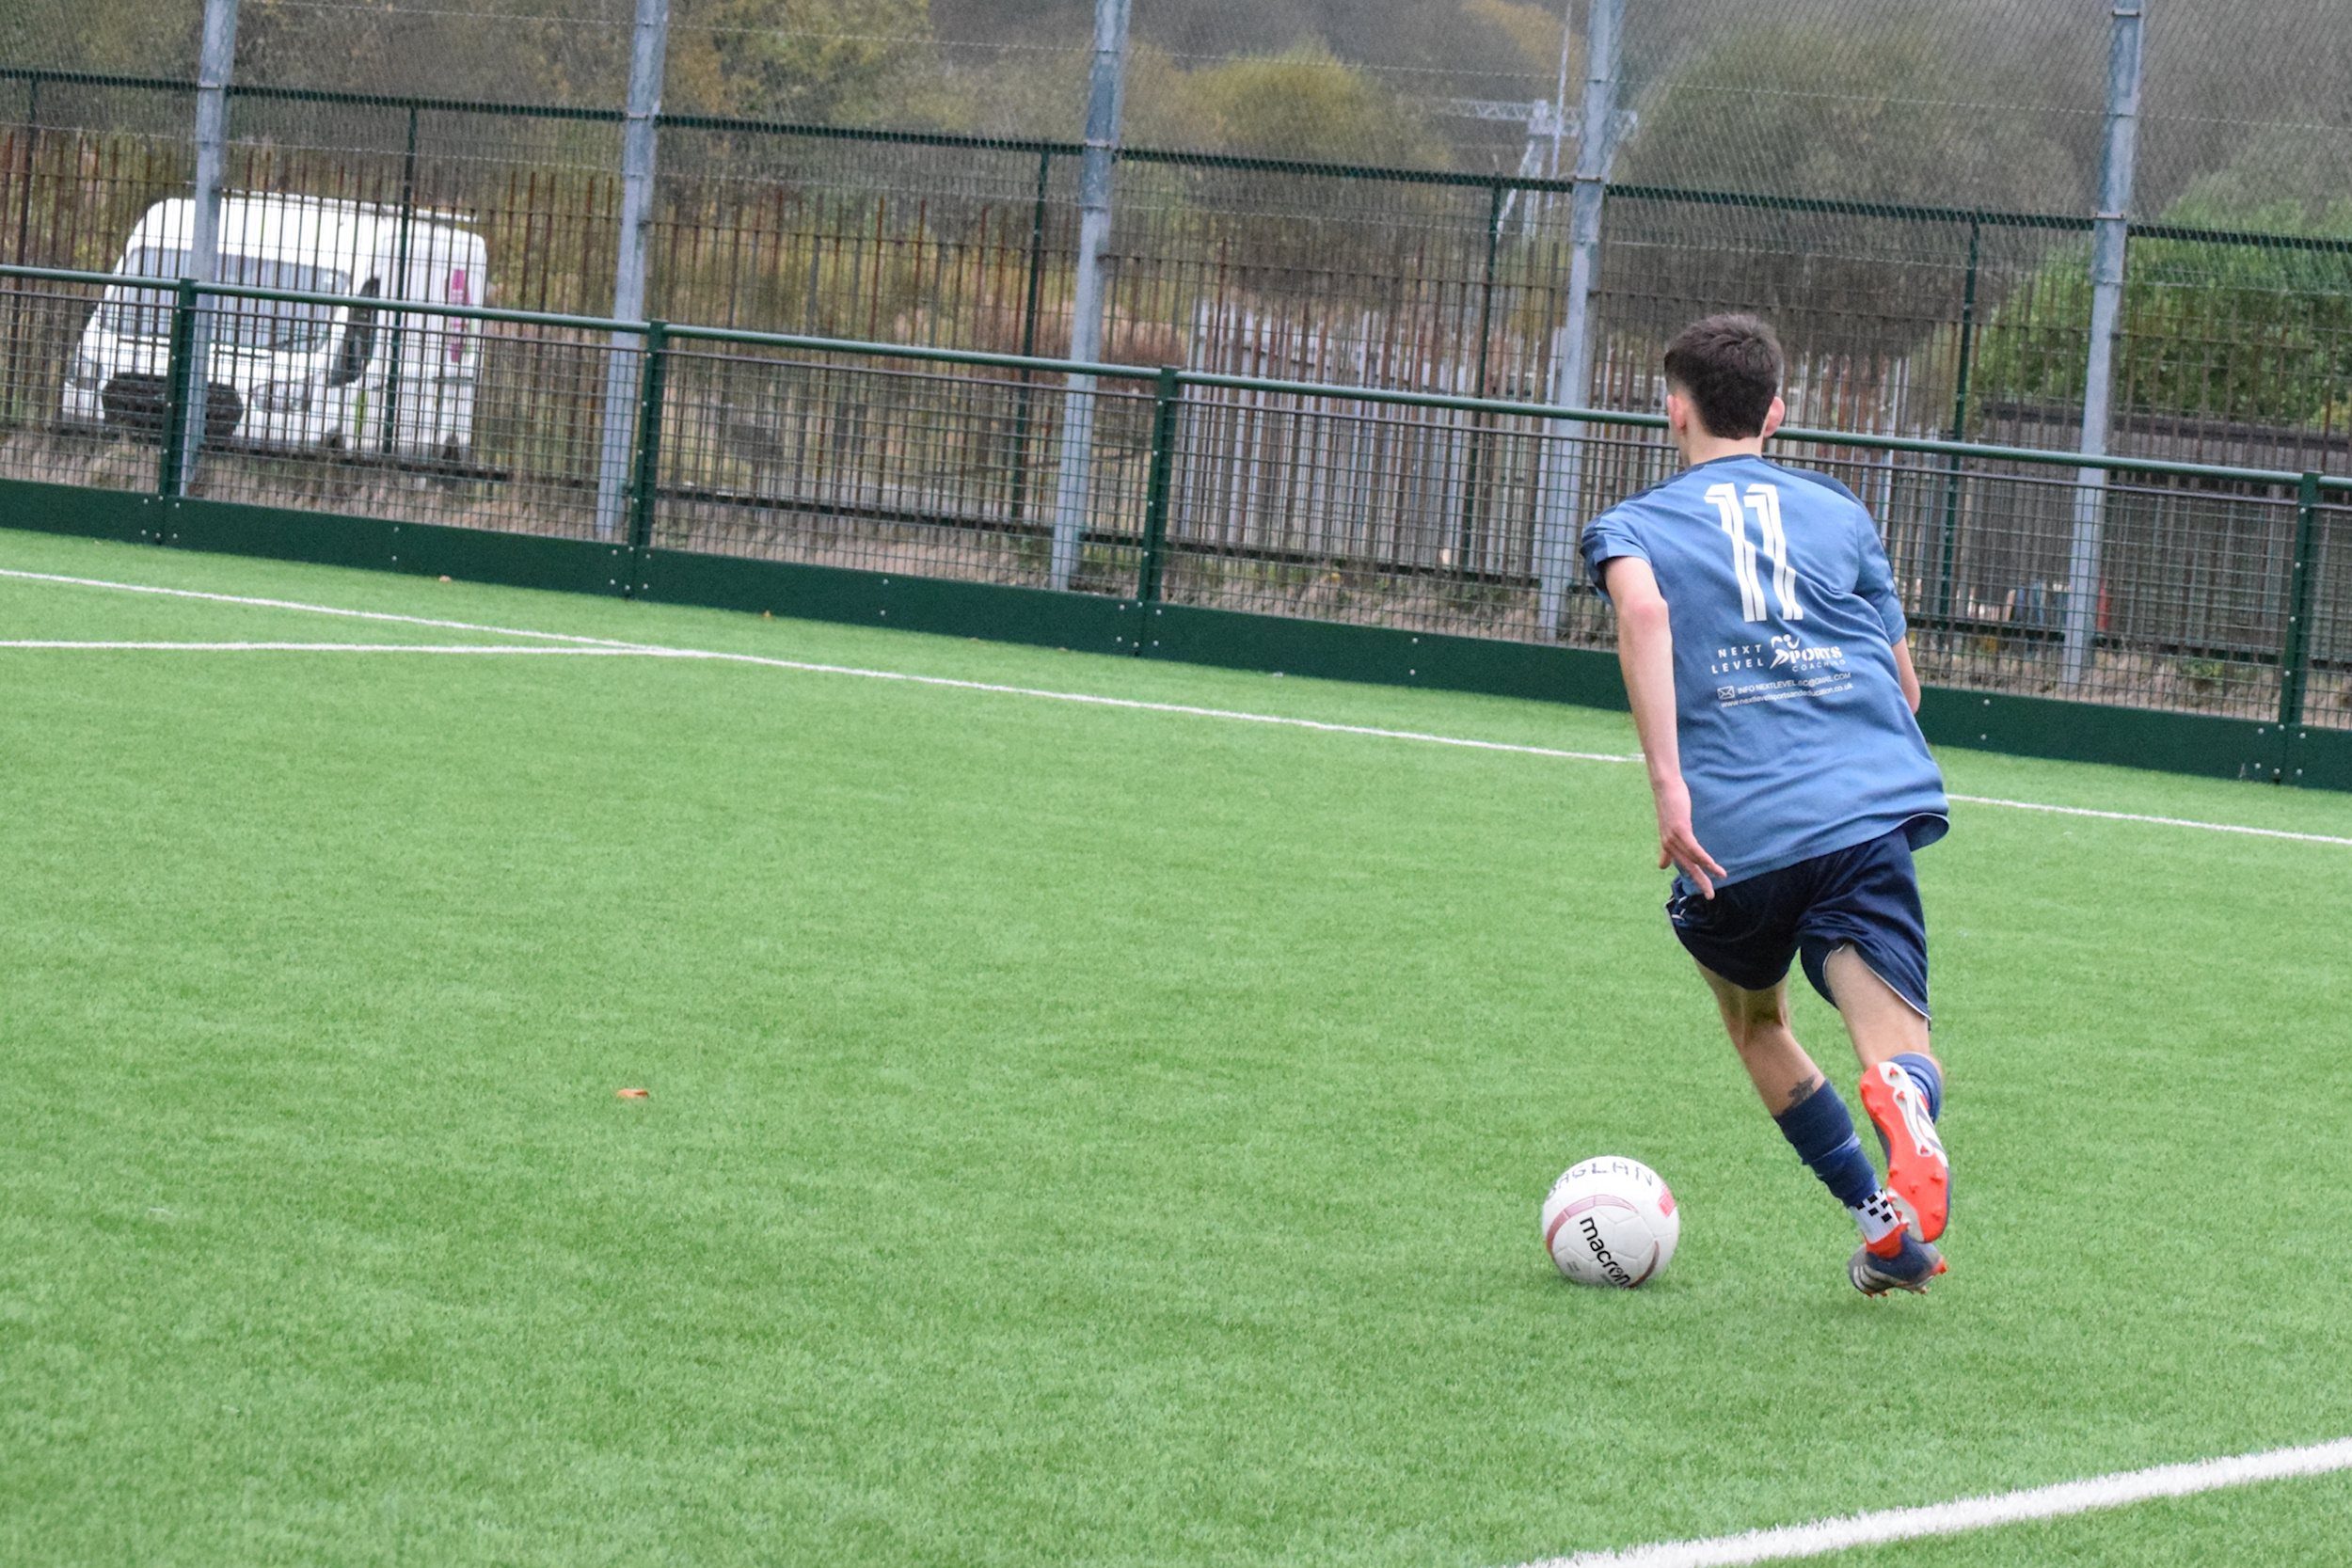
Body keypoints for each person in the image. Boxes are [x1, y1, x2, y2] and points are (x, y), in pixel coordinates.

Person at [1578, 313, 1954, 1295]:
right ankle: (1909, 1106)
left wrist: (1668, 786)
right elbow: (1905, 687)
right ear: (1775, 412)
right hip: (1864, 808)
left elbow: (1644, 610)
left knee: (1756, 1020)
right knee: (1890, 1028)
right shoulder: (1839, 510)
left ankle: (1881, 1229)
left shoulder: (1632, 525)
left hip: (1734, 836)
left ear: (1676, 409)